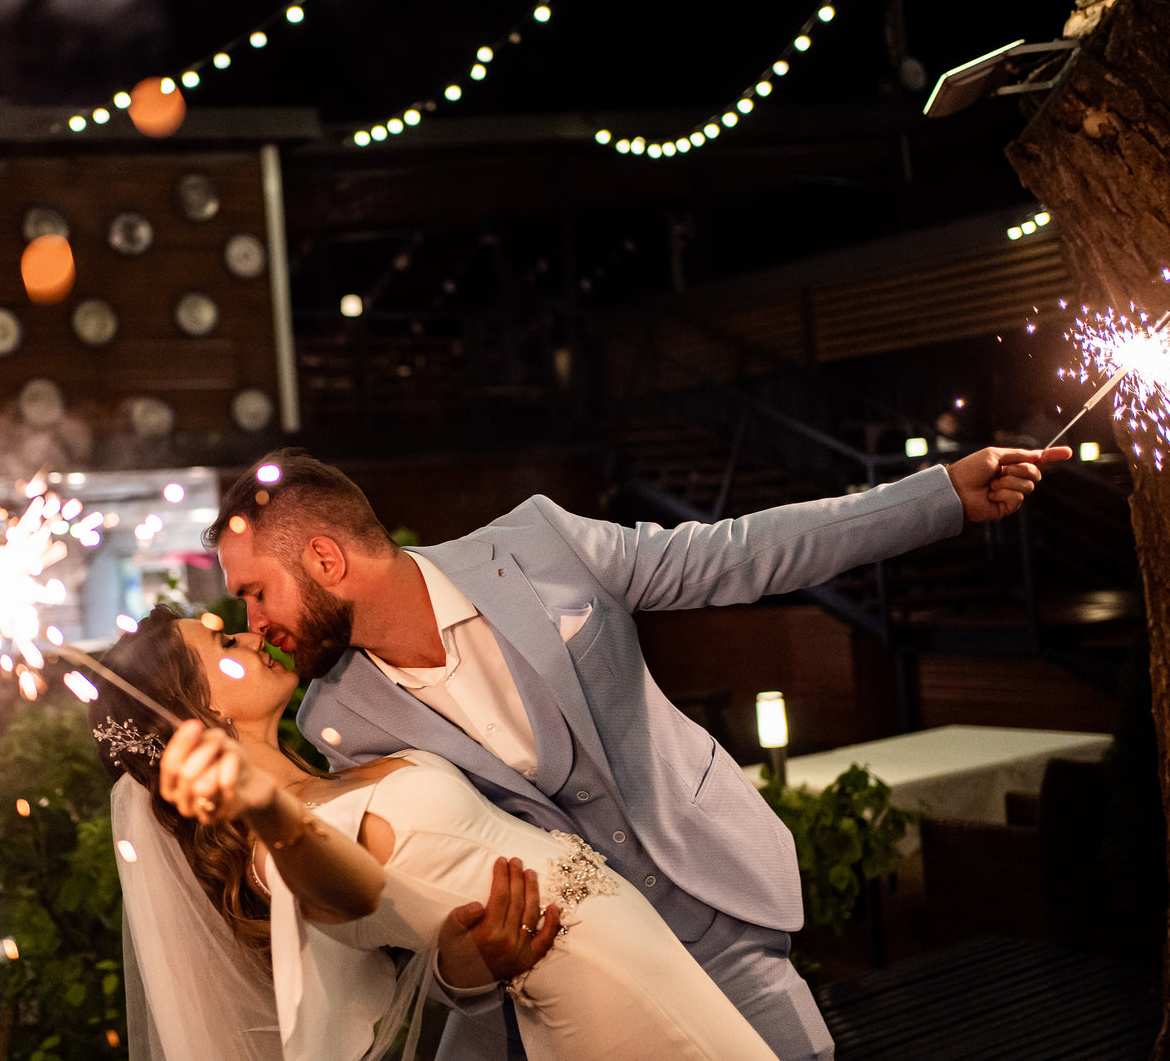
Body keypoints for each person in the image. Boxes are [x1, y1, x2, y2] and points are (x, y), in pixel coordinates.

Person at [205, 443, 1071, 1061]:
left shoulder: (540, 545)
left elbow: (739, 555)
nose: (255, 625)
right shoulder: (334, 723)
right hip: (583, 991)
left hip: (713, 899)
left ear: (324, 557)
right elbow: (399, 915)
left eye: (254, 592)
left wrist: (941, 495)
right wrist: (463, 974)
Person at [90, 604, 779, 1061]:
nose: (247, 633)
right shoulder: (277, 855)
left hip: (650, 955)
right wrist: (262, 803)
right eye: (221, 643)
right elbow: (348, 893)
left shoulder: (336, 767)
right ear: (197, 707)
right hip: (594, 996)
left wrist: (455, 965)